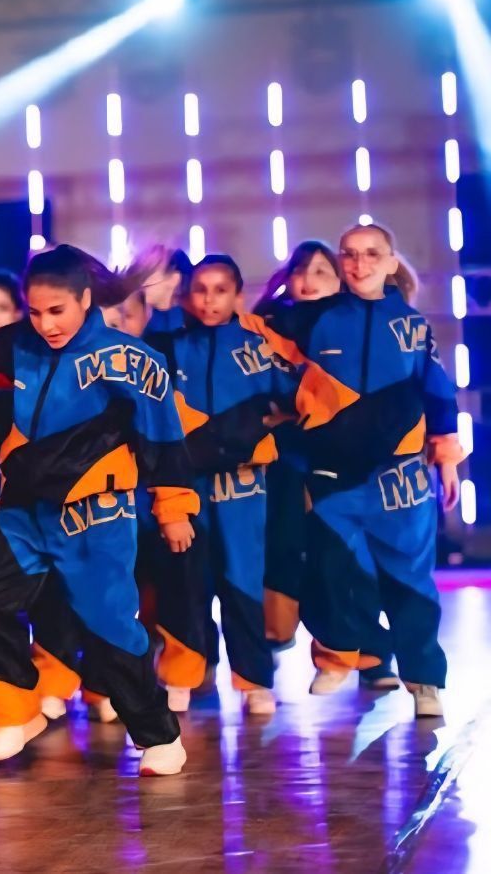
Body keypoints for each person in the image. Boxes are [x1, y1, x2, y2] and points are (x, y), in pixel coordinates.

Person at [0, 245, 195, 774]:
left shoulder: (133, 361)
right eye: (36, 311)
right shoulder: (18, 344)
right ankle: (17, 712)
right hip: (22, 512)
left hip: (96, 515)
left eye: (57, 311)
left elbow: (163, 437)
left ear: (86, 300)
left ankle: (159, 736)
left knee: (109, 625)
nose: (45, 324)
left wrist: (174, 507)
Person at [265, 223, 461, 717]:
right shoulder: (314, 320)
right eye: (350, 254)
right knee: (331, 570)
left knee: (409, 580)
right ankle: (336, 656)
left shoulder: (413, 325)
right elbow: (257, 338)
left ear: (392, 262)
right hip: (335, 473)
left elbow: (438, 392)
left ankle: (424, 681)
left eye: (372, 254)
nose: (360, 263)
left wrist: (448, 459)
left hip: (401, 478)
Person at [145, 254, 296, 716]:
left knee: (242, 580)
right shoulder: (169, 342)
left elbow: (296, 395)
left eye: (220, 290)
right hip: (187, 485)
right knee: (185, 581)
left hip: (244, 487)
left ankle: (254, 681)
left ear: (237, 295)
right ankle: (182, 676)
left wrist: (255, 427)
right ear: (187, 295)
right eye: (200, 290)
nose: (209, 300)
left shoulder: (257, 343)